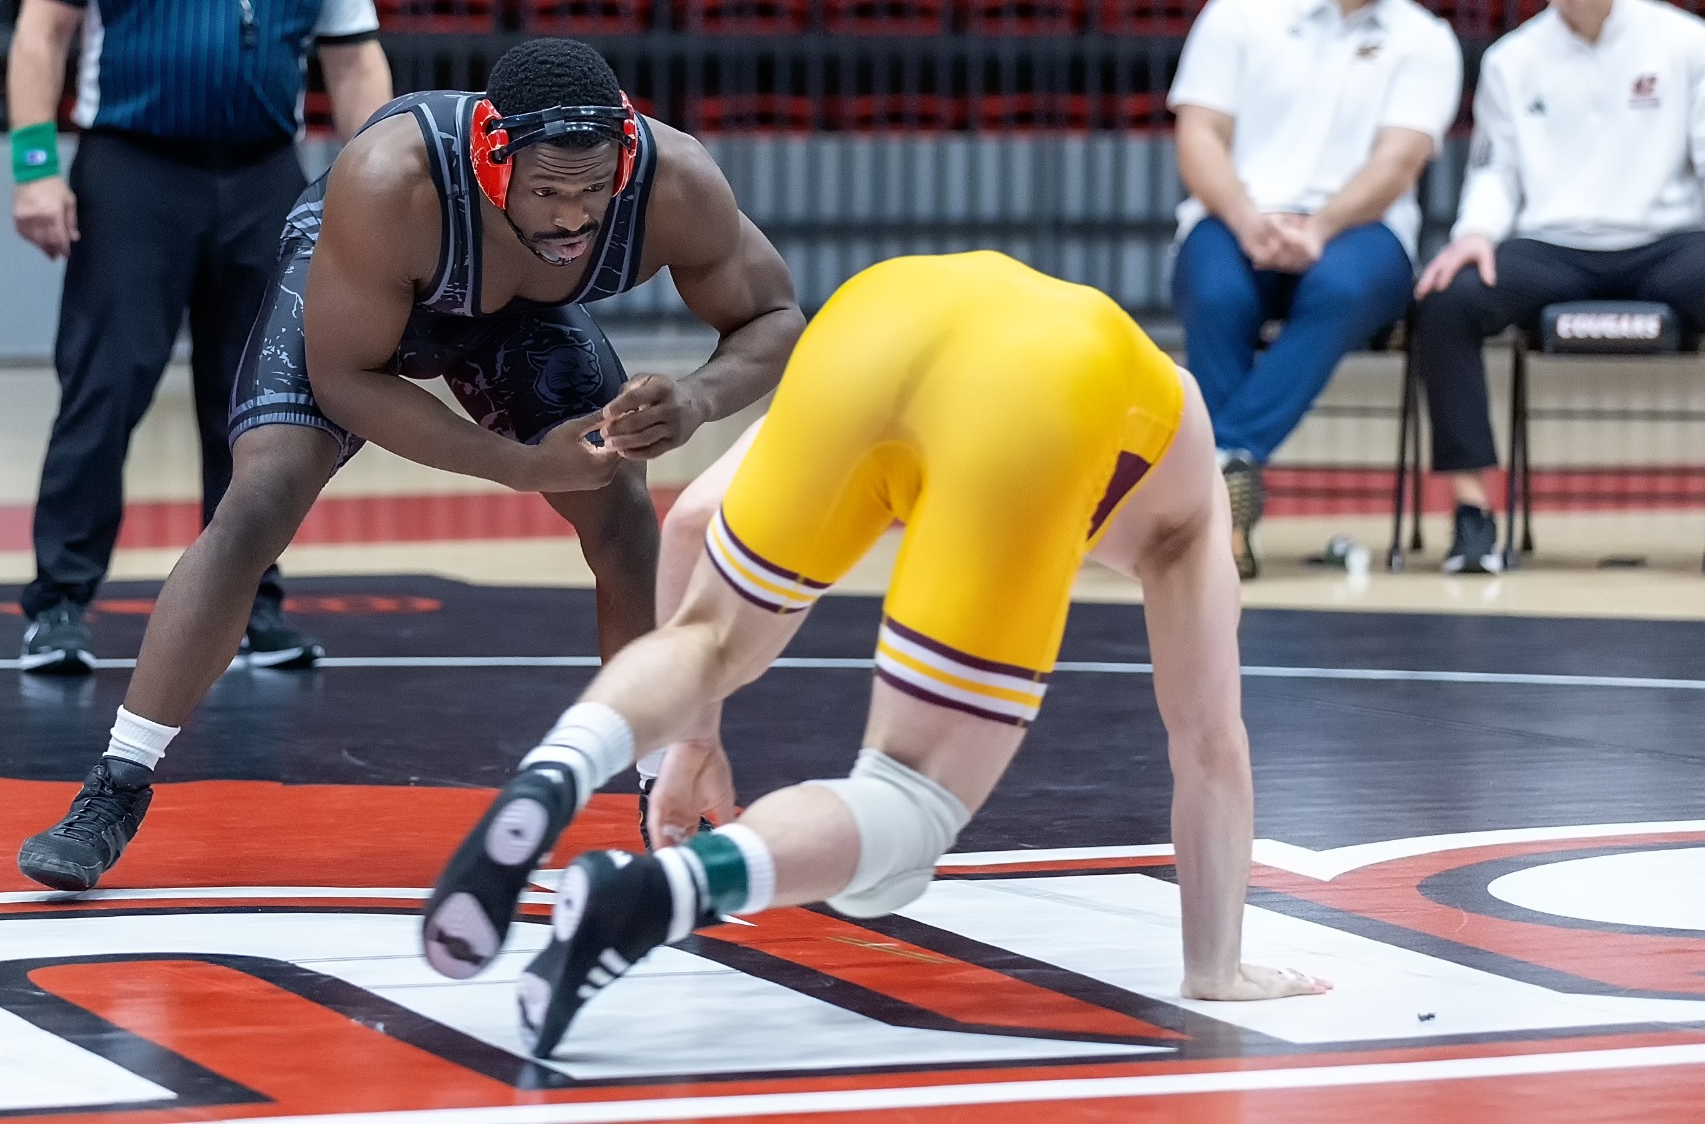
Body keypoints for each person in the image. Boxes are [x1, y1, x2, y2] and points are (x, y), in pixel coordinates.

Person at [420, 251, 1331, 1058]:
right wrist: (1216, 968)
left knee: (709, 639)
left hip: (881, 312)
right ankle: (662, 894)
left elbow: (695, 516)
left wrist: (689, 746)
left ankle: (551, 775)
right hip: (1048, 386)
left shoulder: (1018, 378)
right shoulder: (1190, 499)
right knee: (908, 801)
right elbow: (1210, 744)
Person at [13, 39, 803, 892]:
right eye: (547, 192)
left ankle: (662, 793)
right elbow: (346, 381)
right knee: (263, 495)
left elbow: (773, 315)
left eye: (593, 191)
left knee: (620, 506)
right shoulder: (392, 177)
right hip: (359, 299)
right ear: (494, 163)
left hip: (511, 315)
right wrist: (515, 465)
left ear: (626, 157)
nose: (574, 219)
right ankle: (117, 783)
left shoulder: (671, 179)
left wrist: (696, 400)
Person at [8, 0, 393, 673]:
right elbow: (42, 31)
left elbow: (356, 60)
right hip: (133, 168)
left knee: (262, 403)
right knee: (106, 384)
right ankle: (59, 604)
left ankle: (249, 601)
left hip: (264, 172)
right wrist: (34, 165)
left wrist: (379, 188)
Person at [1167, 0, 1461, 577]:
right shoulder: (1236, 15)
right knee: (1218, 295)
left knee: (1340, 291)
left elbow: (1399, 163)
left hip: (1362, 228)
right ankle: (1226, 510)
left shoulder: (1426, 39)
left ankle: (1221, 464)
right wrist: (1250, 221)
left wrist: (1320, 227)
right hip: (1235, 214)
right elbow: (1199, 136)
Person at [1412, 0, 1705, 573]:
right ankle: (1473, 516)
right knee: (1448, 300)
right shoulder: (1511, 58)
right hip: (1552, 245)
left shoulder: (1688, 41)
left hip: (1669, 241)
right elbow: (1495, 171)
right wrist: (1474, 233)